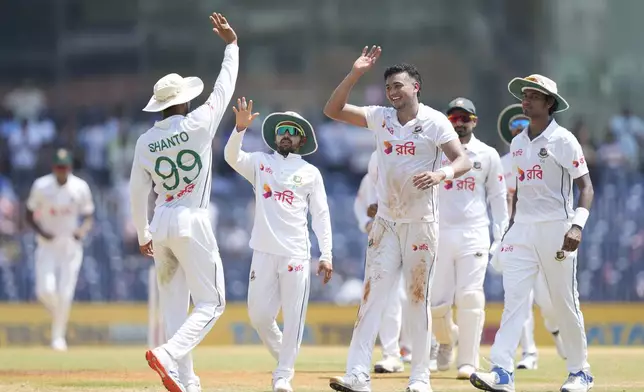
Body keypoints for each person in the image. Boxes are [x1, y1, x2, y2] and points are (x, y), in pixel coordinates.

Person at [324, 45, 472, 392]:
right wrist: (355, 73)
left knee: (417, 299)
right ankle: (357, 376)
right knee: (371, 297)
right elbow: (333, 109)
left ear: (415, 87)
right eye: (389, 86)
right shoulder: (380, 117)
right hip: (386, 224)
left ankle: (420, 378)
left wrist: (442, 175)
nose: (393, 92)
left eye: (399, 86)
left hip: (422, 223)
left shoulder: (435, 121)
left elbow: (462, 160)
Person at [129, 12, 238, 392]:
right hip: (192, 219)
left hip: (160, 225)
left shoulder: (145, 141)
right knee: (213, 303)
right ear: (186, 102)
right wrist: (232, 47)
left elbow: (136, 191)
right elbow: (224, 89)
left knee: (175, 308)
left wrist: (142, 231)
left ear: (158, 106)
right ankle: (169, 355)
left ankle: (187, 381)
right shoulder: (199, 123)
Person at [470, 74, 595, 392]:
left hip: (558, 228)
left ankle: (580, 372)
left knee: (563, 301)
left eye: (533, 97)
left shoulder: (564, 140)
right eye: (524, 95)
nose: (525, 101)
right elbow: (520, 192)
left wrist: (577, 225)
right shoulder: (518, 142)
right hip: (522, 230)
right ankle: (501, 371)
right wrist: (509, 232)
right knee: (514, 302)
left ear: (549, 103)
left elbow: (586, 188)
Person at [224, 97, 334, 392]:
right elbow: (231, 158)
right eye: (282, 129)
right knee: (259, 316)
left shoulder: (311, 173)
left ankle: (283, 374)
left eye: (292, 131)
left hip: (296, 252)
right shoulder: (260, 163)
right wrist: (239, 130)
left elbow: (321, 215)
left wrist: (326, 254)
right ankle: (286, 358)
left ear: (300, 140)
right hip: (263, 250)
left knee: (294, 318)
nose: (286, 134)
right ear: (275, 135)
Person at [430, 98, 508, 380]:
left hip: (474, 233)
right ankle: (447, 337)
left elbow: (498, 199)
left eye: (465, 118)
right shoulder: (436, 152)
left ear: (474, 121)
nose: (459, 123)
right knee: (437, 304)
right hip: (438, 233)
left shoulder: (487, 155)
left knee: (470, 297)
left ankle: (469, 361)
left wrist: (500, 237)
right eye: (453, 118)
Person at [496, 104, 567, 370]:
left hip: (542, 231)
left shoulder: (545, 154)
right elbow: (499, 199)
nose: (519, 130)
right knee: (518, 297)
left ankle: (556, 331)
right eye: (515, 128)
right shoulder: (503, 163)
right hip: (515, 235)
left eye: (523, 126)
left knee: (547, 301)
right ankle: (529, 353)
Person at [25, 148, 94, 352]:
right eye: (58, 167)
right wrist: (41, 231)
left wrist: (82, 230)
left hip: (70, 247)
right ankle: (60, 316)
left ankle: (58, 338)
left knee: (65, 294)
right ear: (53, 167)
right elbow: (28, 213)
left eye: (64, 167)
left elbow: (89, 215)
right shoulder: (41, 186)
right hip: (47, 245)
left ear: (70, 168)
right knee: (44, 291)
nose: (61, 171)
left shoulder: (80, 187)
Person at [353, 151, 414, 374]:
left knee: (419, 295)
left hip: (416, 234)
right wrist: (367, 223)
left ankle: (426, 346)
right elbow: (362, 206)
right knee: (389, 296)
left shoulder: (417, 160)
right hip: (384, 238)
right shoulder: (374, 167)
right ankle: (391, 353)